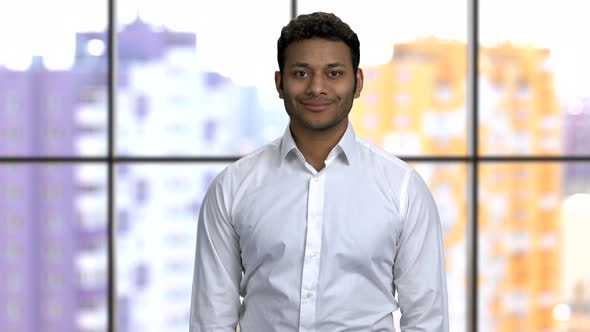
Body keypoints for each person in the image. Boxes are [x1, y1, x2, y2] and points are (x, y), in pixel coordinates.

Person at [190, 11, 449, 332]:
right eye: (301, 73)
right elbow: (211, 319)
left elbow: (427, 320)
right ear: (279, 83)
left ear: (358, 83)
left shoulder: (403, 189)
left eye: (334, 73)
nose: (317, 87)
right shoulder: (232, 187)